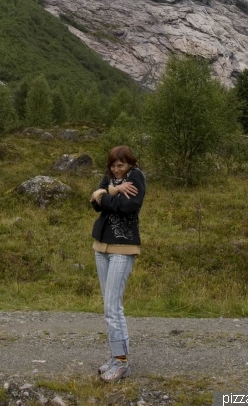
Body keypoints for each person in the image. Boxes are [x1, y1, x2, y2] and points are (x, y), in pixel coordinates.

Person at [90, 144, 146, 383]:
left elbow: (128, 206)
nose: (116, 169)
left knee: (114, 307)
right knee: (108, 306)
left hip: (123, 248)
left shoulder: (136, 176)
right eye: (112, 165)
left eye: (120, 164)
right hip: (101, 246)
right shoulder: (111, 179)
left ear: (129, 163)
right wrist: (111, 191)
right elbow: (93, 203)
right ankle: (115, 358)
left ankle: (121, 362)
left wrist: (105, 195)